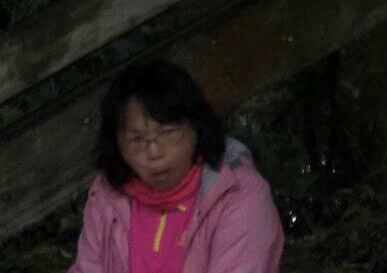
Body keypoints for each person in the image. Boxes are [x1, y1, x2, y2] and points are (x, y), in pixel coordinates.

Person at [69, 59, 283, 273]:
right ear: (116, 145)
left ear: (197, 128)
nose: (154, 153)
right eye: (136, 140)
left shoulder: (240, 195)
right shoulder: (107, 198)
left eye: (167, 133)